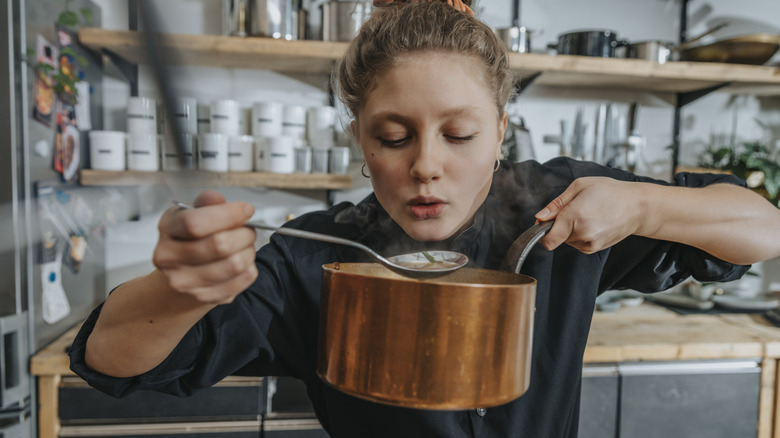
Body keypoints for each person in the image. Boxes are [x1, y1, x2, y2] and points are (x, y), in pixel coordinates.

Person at [69, 2, 780, 437]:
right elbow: (109, 360)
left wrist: (647, 203)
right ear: (360, 140)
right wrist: (183, 288)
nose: (427, 166)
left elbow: (762, 230)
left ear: (501, 131)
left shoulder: (557, 208)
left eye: (460, 135)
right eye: (394, 135)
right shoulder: (315, 257)